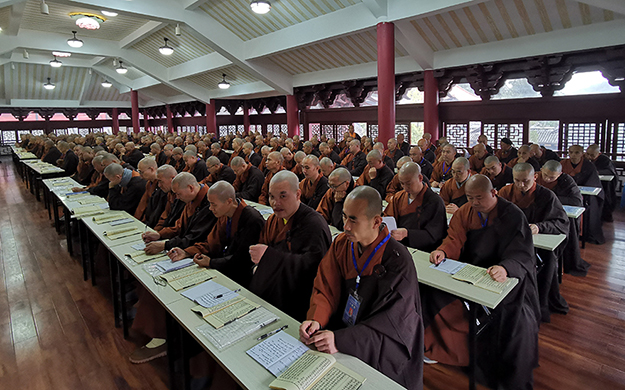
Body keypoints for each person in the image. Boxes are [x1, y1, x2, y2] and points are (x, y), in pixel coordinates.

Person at [301, 186, 424, 390]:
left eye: (353, 219)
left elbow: (391, 322)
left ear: (376, 221)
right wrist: (316, 319)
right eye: (344, 217)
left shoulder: (398, 260)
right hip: (344, 331)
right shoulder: (341, 244)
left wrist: (341, 340)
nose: (345, 226)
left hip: (376, 344)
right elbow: (325, 286)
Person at [426, 175, 540, 390]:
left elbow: (523, 254)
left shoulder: (513, 215)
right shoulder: (464, 212)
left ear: (493, 193)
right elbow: (454, 238)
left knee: (518, 320)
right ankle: (449, 349)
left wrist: (506, 267)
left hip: (505, 279)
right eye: (470, 198)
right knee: (430, 293)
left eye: (479, 197)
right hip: (470, 271)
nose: (474, 203)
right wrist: (443, 251)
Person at [249, 171, 332, 321]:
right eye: (271, 197)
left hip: (297, 303)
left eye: (283, 196)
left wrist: (268, 257)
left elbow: (314, 268)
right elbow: (262, 247)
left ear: (298, 195)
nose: (275, 203)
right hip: (271, 294)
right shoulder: (273, 220)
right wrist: (258, 266)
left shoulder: (314, 225)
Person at [498, 163, 569, 322]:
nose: (521, 185)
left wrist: (539, 226)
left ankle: (538, 303)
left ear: (535, 177)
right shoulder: (505, 192)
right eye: (517, 180)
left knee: (548, 260)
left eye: (525, 181)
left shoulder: (547, 196)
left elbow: (561, 222)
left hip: (537, 245)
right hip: (510, 241)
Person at [167, 181, 264, 287]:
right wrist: (186, 253)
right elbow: (212, 242)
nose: (210, 208)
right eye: (210, 204)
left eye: (213, 204)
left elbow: (242, 258)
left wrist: (211, 263)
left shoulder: (251, 219)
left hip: (244, 277)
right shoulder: (225, 214)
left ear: (229, 201)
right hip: (226, 268)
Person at [142, 172, 216, 255]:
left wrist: (165, 245)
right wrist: (159, 235)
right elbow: (179, 227)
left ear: (191, 188)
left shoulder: (210, 204)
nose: (177, 197)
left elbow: (194, 236)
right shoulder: (191, 199)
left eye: (178, 194)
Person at [537, 160, 590, 276]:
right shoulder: (535, 176)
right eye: (545, 175)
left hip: (558, 215)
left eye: (552, 177)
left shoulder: (566, 181)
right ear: (541, 170)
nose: (547, 179)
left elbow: (576, 201)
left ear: (559, 174)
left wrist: (551, 198)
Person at [384, 162, 447, 252]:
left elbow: (435, 235)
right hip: (398, 246)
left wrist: (408, 234)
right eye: (402, 184)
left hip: (423, 250)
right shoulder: (399, 197)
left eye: (408, 184)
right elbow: (388, 218)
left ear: (420, 178)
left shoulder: (435, 201)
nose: (405, 188)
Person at [561, 144, 605, 244]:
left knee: (589, 204)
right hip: (565, 193)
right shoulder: (562, 163)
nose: (573, 155)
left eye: (576, 152)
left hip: (584, 194)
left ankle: (584, 233)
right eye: (571, 152)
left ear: (582, 154)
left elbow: (592, 182)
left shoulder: (588, 165)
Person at [586, 144, 617, 222]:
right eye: (588, 154)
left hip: (605, 183)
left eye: (592, 155)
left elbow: (610, 171)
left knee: (606, 197)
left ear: (599, 154)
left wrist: (597, 172)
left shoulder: (605, 160)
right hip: (591, 182)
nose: (589, 157)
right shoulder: (584, 158)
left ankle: (605, 216)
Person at [134, 158, 168, 228]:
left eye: (142, 172)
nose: (140, 175)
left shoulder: (164, 186)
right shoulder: (149, 183)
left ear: (152, 169)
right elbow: (143, 203)